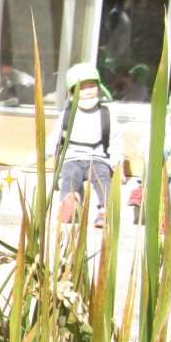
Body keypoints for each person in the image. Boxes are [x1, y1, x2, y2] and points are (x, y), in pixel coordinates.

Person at [47, 63, 123, 229]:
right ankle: (69, 202)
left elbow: (116, 142)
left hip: (98, 157)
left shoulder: (106, 113)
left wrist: (118, 165)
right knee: (69, 176)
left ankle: (105, 210)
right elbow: (54, 140)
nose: (88, 91)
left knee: (102, 177)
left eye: (92, 86)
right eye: (82, 88)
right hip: (72, 157)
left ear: (99, 87)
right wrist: (39, 157)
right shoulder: (67, 114)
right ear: (72, 92)